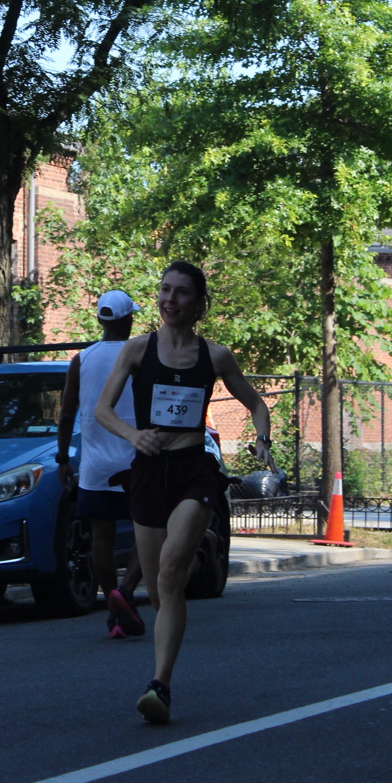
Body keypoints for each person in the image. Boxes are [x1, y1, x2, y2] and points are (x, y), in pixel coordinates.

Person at [94, 261, 273, 724]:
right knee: (159, 589)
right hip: (149, 471)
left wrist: (262, 439)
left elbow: (256, 404)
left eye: (181, 292)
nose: (170, 299)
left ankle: (160, 686)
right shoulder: (136, 349)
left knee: (171, 573)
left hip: (194, 468)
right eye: (165, 290)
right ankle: (200, 548)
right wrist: (134, 436)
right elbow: (102, 410)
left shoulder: (215, 356)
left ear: (198, 303)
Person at [56, 289, 145, 640]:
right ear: (128, 319)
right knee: (151, 530)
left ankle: (114, 606)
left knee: (100, 538)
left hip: (96, 466)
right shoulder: (140, 353)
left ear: (100, 319)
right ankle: (126, 592)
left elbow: (66, 414)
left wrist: (63, 458)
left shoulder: (82, 359)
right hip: (138, 458)